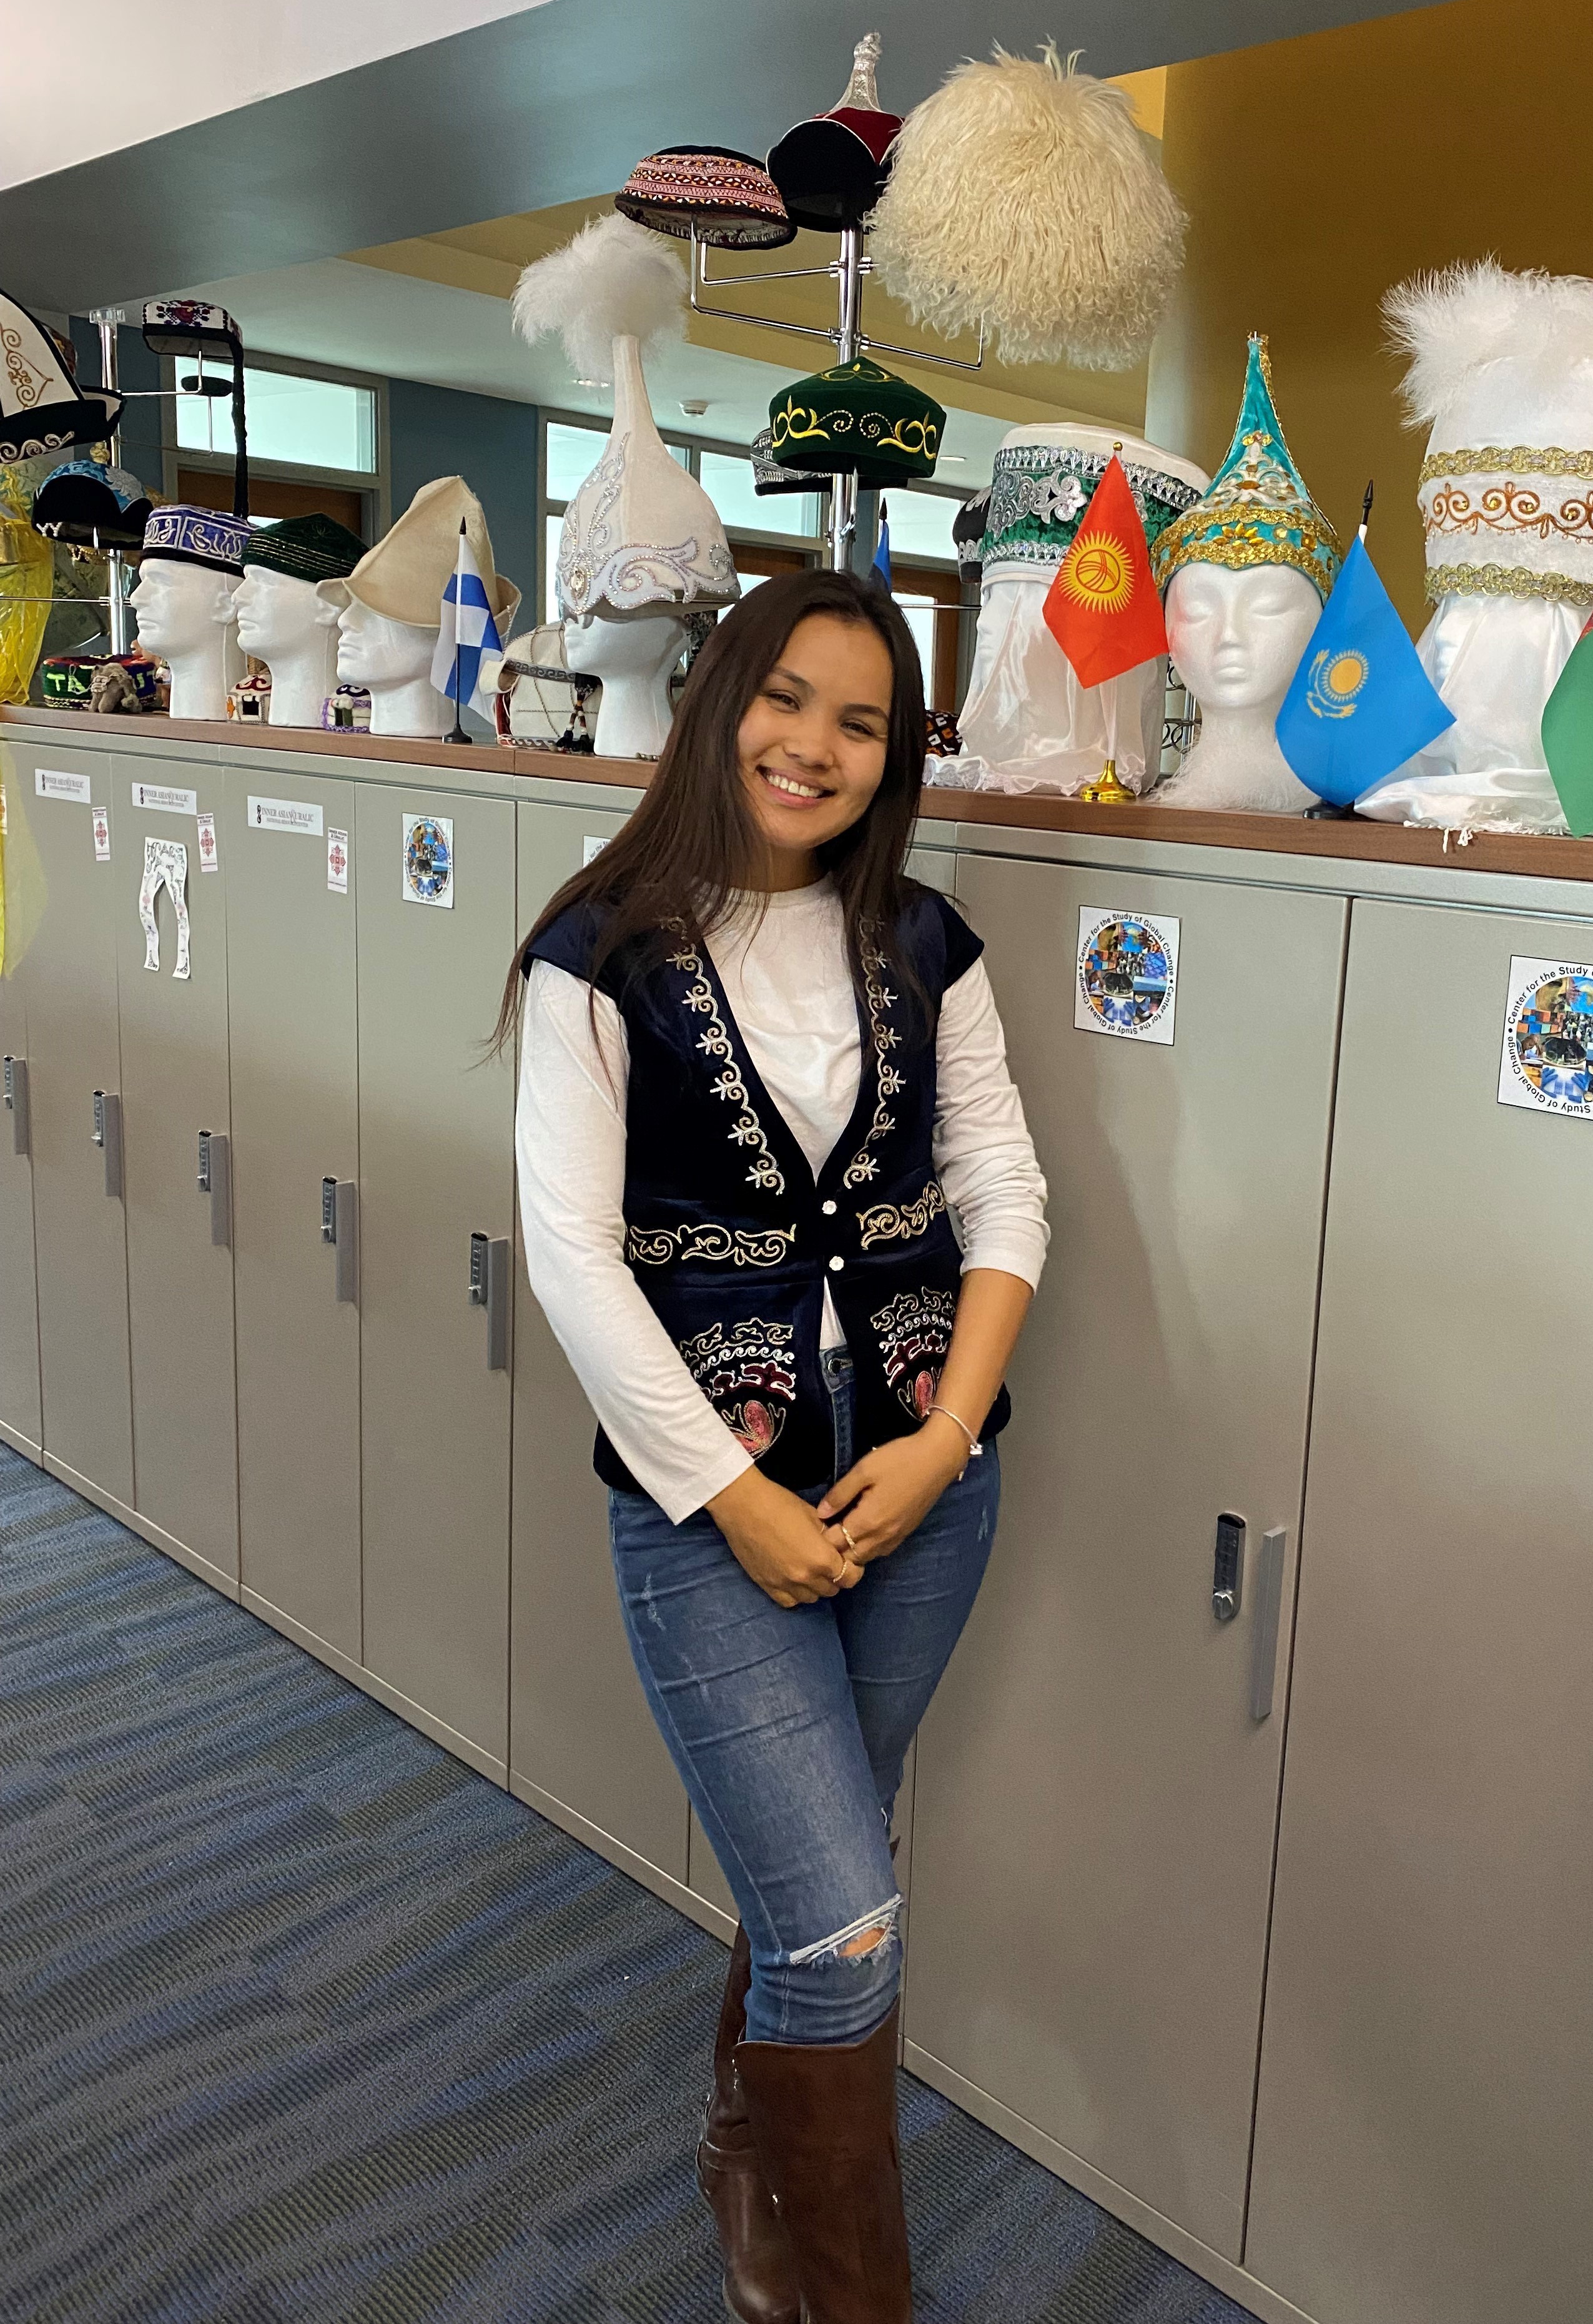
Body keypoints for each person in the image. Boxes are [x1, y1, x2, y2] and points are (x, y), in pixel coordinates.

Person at [500, 568, 1048, 2323]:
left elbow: (1007, 1195)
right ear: (721, 699)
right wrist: (730, 1499)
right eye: (788, 698)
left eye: (864, 720)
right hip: (702, 1500)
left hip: (922, 1485)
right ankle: (846, 2299)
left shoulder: (929, 946)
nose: (816, 744)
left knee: (831, 1873)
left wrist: (949, 1434)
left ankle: (751, 2143)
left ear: (896, 757)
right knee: (845, 1924)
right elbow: (573, 1256)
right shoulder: (597, 951)